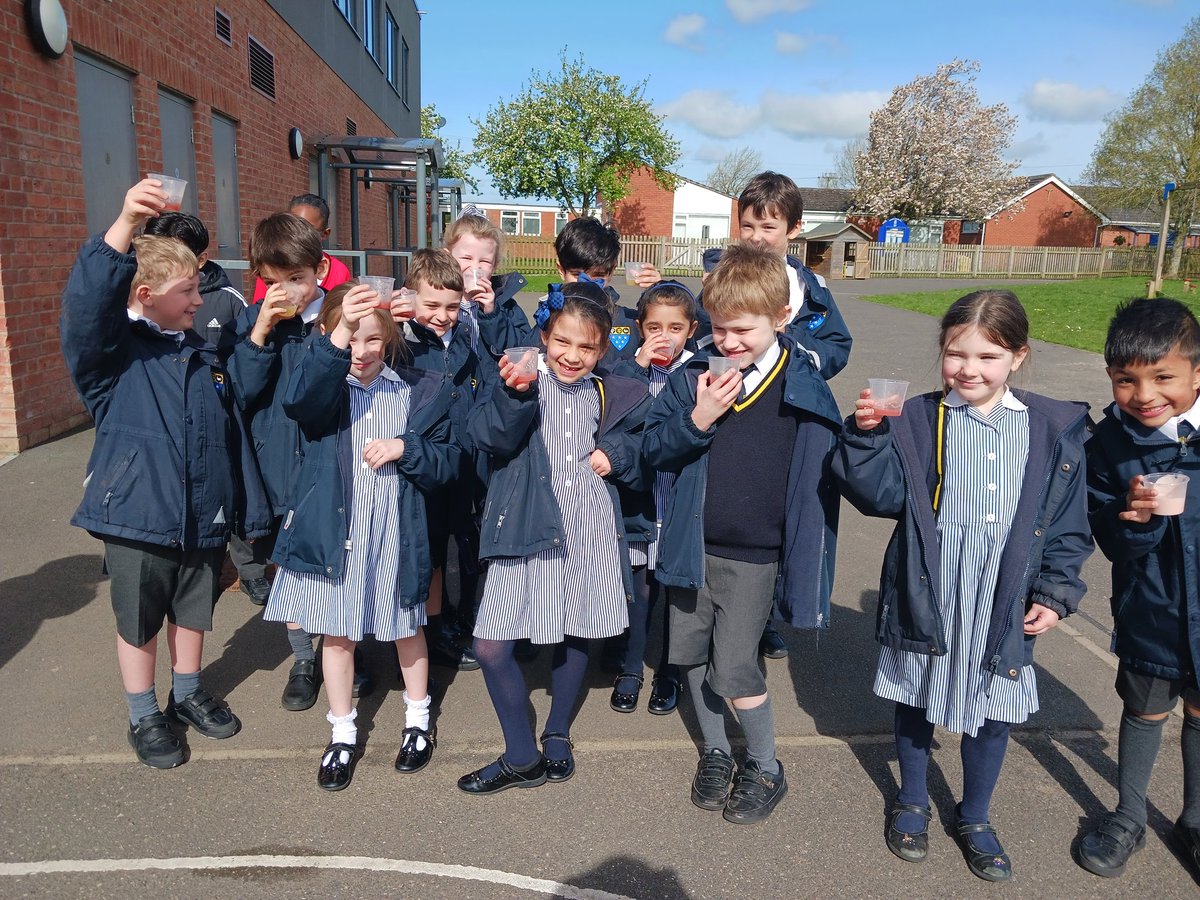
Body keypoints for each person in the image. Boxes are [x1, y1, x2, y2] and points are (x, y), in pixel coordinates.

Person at [833, 289, 1092, 881]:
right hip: (930, 586)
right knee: (916, 696)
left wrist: (1054, 594)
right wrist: (867, 434)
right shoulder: (921, 417)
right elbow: (878, 497)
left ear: (1018, 358)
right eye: (956, 354)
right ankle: (913, 800)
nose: (969, 370)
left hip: (1001, 596)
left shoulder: (1049, 430)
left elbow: (1068, 528)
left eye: (987, 357)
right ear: (941, 351)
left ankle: (974, 814)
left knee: (993, 706)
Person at [60, 178, 270, 768]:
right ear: (146, 293)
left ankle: (187, 692)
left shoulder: (202, 354)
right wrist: (126, 220)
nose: (200, 301)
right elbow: (85, 310)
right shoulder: (113, 357)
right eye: (188, 291)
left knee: (194, 609)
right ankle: (143, 713)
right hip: (137, 517)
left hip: (201, 513)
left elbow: (236, 413)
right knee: (139, 619)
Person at [643, 243, 842, 825]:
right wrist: (697, 419)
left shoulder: (801, 382)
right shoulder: (692, 380)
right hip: (692, 549)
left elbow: (828, 465)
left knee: (734, 666)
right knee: (692, 659)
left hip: (756, 556)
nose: (728, 342)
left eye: (743, 330)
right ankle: (714, 751)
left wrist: (871, 434)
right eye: (719, 328)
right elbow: (655, 448)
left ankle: (765, 764)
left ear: (781, 318)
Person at [457, 281, 652, 794]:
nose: (572, 355)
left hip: (588, 524)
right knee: (491, 645)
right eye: (562, 341)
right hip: (525, 525)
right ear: (544, 336)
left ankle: (558, 732)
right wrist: (513, 395)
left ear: (603, 349)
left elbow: (644, 442)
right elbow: (487, 437)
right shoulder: (519, 375)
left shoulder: (610, 387)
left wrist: (619, 457)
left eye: (587, 347)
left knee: (578, 629)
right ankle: (522, 754)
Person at [262, 281, 455, 790]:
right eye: (349, 339)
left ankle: (418, 721)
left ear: (389, 339)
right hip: (338, 539)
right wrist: (341, 328)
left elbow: (449, 463)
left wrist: (405, 449)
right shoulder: (324, 390)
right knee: (338, 634)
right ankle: (342, 732)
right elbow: (301, 400)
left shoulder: (417, 389)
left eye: (372, 340)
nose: (361, 352)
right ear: (327, 337)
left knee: (406, 629)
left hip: (395, 535)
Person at [701, 172, 854, 662]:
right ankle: (706, 619)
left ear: (794, 229)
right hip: (727, 400)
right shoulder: (720, 273)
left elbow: (837, 345)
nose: (755, 237)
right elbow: (703, 331)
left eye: (768, 227)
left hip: (787, 405)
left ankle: (763, 619)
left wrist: (797, 354)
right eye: (747, 225)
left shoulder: (810, 287)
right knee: (728, 502)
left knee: (778, 511)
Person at [1076, 296, 1200, 880]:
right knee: (1145, 711)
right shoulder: (1109, 447)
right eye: (1127, 380)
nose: (1145, 394)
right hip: (1150, 610)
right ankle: (1128, 815)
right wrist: (1135, 525)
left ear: (1198, 372)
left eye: (1164, 377)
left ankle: (1194, 819)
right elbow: (1108, 537)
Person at [230, 212, 369, 710]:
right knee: (288, 566)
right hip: (276, 464)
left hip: (328, 456)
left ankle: (346, 648)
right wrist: (261, 331)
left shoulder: (335, 320)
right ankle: (303, 659)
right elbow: (240, 395)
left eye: (297, 279)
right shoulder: (251, 322)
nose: (286, 291)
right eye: (272, 282)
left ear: (320, 269)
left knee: (336, 557)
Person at [142, 212, 274, 606]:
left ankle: (248, 569)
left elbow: (245, 356)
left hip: (219, 412)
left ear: (201, 259)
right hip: (166, 419)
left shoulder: (225, 298)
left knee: (230, 485)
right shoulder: (138, 300)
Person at [394, 247, 496, 672]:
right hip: (419, 466)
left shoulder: (465, 340)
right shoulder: (397, 338)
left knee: (455, 547)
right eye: (431, 304)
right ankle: (424, 631)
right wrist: (390, 319)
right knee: (427, 554)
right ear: (408, 296)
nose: (442, 314)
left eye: (452, 306)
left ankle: (443, 628)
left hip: (460, 464)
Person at [608, 280, 699, 716]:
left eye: (676, 327)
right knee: (641, 591)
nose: (665, 336)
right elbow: (613, 419)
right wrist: (636, 368)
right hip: (644, 498)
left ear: (692, 330)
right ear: (640, 328)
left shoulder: (700, 371)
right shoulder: (629, 366)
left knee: (676, 593)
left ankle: (668, 672)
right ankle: (630, 667)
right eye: (655, 326)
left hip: (679, 497)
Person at [252, 194, 352, 302]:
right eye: (291, 229)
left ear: (325, 234)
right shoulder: (271, 268)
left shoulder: (339, 271)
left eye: (308, 231)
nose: (298, 236)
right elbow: (261, 307)